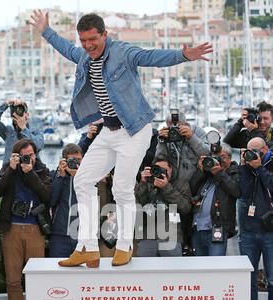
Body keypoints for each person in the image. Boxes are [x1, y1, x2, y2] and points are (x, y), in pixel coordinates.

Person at [29, 10, 213, 267]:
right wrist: (46, 31)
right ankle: (88, 248)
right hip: (109, 131)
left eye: (92, 39)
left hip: (134, 130)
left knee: (121, 188)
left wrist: (183, 55)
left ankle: (125, 247)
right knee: (82, 180)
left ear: (105, 34)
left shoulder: (123, 53)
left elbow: (151, 57)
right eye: (83, 41)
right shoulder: (84, 56)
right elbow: (65, 48)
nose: (88, 45)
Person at [0, 138, 51, 300]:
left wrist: (31, 174)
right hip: (12, 230)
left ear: (36, 155)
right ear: (16, 155)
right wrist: (11, 169)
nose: (29, 158)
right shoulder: (8, 169)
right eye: (24, 154)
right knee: (13, 280)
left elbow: (47, 197)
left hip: (35, 229)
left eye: (32, 154)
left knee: (37, 279)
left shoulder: (42, 171)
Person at [156, 110, 211, 255]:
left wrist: (192, 137)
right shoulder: (165, 134)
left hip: (196, 183)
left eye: (177, 126)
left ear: (185, 124)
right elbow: (159, 160)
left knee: (192, 220)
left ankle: (191, 247)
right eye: (170, 126)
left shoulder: (197, 132)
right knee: (179, 220)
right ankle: (182, 246)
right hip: (175, 185)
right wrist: (161, 141)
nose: (173, 130)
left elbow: (207, 153)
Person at [238, 137, 273, 300]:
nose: (252, 154)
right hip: (250, 230)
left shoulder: (270, 162)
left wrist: (260, 168)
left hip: (270, 230)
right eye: (249, 151)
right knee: (248, 279)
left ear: (265, 149)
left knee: (272, 278)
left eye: (256, 151)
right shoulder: (246, 167)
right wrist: (245, 166)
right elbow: (242, 192)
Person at [190, 142, 240, 256]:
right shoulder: (206, 174)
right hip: (198, 228)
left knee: (216, 268)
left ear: (230, 158)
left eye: (222, 157)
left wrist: (219, 173)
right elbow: (191, 189)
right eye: (215, 157)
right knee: (199, 269)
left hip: (217, 228)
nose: (218, 160)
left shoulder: (234, 173)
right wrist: (200, 171)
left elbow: (236, 191)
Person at [135, 157, 192, 257]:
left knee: (172, 271)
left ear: (171, 170)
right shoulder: (147, 184)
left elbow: (185, 207)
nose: (160, 173)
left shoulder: (181, 184)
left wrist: (166, 187)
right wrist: (143, 183)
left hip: (171, 237)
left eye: (164, 170)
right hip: (147, 236)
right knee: (144, 271)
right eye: (157, 169)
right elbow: (138, 206)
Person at [49, 143, 82, 258]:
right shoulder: (56, 175)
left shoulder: (87, 177)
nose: (76, 163)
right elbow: (52, 200)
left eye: (78, 160)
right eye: (72, 160)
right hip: (59, 234)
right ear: (64, 160)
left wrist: (79, 178)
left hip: (81, 236)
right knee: (55, 271)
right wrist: (60, 176)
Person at [0, 98, 44, 163]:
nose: (17, 115)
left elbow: (38, 146)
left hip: (30, 171)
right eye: (14, 111)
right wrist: (7, 103)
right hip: (10, 171)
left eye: (20, 111)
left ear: (27, 115)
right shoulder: (8, 131)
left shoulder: (36, 131)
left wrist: (24, 129)